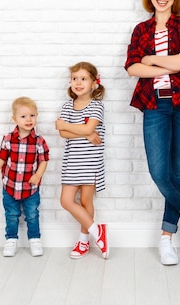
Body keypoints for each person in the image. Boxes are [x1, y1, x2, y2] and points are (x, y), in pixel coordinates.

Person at [125, 0, 180, 266]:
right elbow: (132, 68)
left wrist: (151, 60)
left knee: (177, 172)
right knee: (160, 173)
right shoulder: (140, 30)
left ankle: (166, 237)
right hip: (154, 105)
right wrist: (170, 64)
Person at [55, 61, 109, 259]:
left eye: (83, 79)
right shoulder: (67, 106)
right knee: (66, 200)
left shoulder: (97, 106)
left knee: (86, 201)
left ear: (94, 83)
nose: (78, 82)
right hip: (72, 162)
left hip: (90, 161)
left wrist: (72, 127)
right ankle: (98, 231)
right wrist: (85, 133)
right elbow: (62, 133)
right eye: (75, 79)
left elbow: (77, 128)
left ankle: (84, 241)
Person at [0, 96, 50, 258]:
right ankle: (11, 239)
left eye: (32, 115)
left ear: (37, 116)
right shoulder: (8, 139)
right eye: (23, 116)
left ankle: (35, 239)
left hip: (30, 188)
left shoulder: (39, 141)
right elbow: (1, 157)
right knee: (11, 215)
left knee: (32, 214)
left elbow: (44, 161)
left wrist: (38, 175)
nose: (28, 119)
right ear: (14, 119)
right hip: (10, 186)